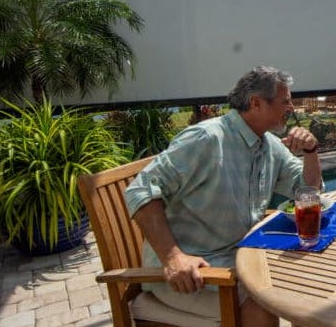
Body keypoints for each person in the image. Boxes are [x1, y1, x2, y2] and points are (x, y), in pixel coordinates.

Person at [124, 66, 321, 327]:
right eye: (285, 101)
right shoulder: (207, 139)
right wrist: (173, 258)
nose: (292, 107)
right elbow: (141, 189)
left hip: (237, 262)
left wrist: (311, 150)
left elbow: (308, 191)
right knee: (264, 305)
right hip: (189, 277)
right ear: (256, 103)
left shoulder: (268, 145)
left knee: (303, 289)